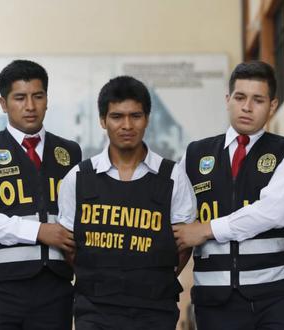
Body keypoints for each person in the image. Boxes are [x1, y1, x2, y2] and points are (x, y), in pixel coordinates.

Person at [172, 60, 284, 330]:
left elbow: (273, 212)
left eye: (258, 100)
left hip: (274, 298)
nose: (247, 107)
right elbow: (174, 219)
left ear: (272, 105)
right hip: (214, 303)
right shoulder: (195, 155)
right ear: (228, 99)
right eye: (240, 97)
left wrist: (208, 229)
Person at [57, 76, 196, 330]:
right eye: (117, 116)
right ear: (103, 121)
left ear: (147, 119)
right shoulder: (78, 178)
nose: (127, 125)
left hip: (154, 309)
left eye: (135, 115)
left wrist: (149, 279)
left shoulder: (172, 176)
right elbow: (68, 243)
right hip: (94, 309)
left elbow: (183, 245)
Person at [0, 59, 81, 330]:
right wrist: (38, 231)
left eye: (37, 96)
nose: (30, 106)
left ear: (47, 100)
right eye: (20, 98)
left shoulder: (70, 153)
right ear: (3, 103)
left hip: (55, 288)